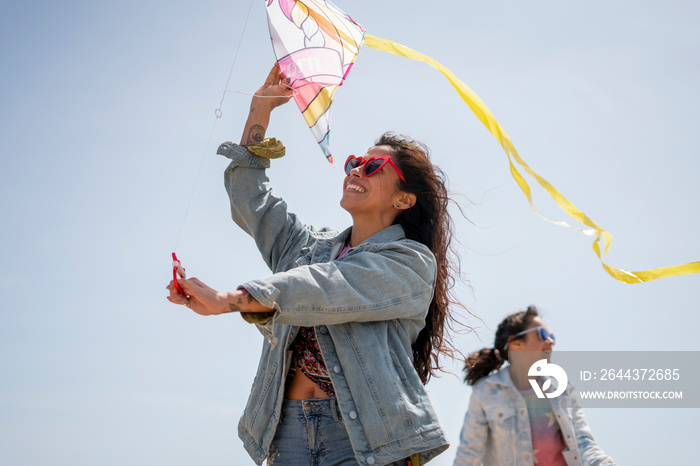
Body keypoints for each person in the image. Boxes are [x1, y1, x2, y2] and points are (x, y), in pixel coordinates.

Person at [167, 64, 461, 465]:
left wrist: (231, 299)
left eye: (373, 167)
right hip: (284, 433)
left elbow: (327, 286)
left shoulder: (409, 263)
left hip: (363, 442)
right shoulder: (309, 249)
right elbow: (252, 203)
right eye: (354, 161)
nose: (356, 169)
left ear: (404, 199)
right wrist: (260, 112)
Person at [453, 306, 615, 466]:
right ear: (515, 343)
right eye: (542, 335)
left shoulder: (562, 389)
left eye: (551, 336)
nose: (550, 342)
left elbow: (584, 444)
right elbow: (469, 454)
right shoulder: (485, 391)